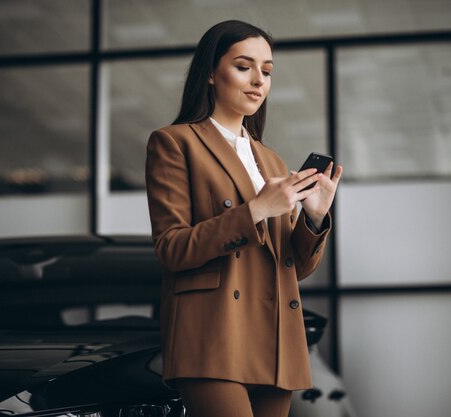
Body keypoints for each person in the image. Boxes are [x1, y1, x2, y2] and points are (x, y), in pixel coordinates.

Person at [145, 20, 342, 417]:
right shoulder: (174, 142)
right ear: (211, 74)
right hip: (213, 332)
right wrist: (256, 210)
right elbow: (171, 248)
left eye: (267, 71)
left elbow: (293, 268)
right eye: (243, 66)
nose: (258, 81)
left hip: (275, 337)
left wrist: (315, 219)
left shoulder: (271, 160)